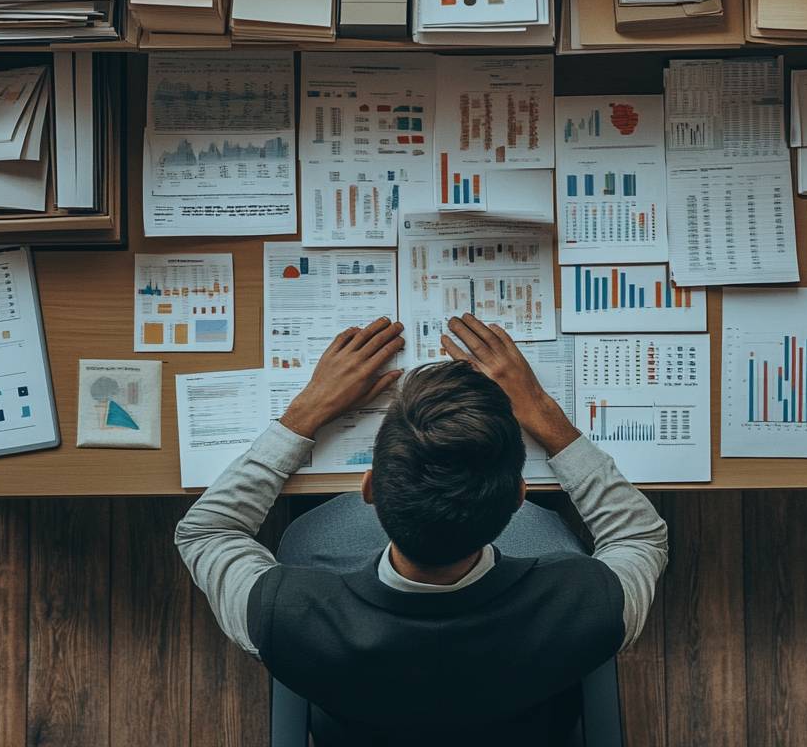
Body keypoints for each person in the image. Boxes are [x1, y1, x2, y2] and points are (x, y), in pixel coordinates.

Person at [176, 314, 668, 746]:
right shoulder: (592, 604)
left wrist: (305, 412)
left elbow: (206, 532)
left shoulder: (281, 614)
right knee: (549, 531)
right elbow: (639, 537)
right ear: (520, 497)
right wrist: (540, 410)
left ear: (367, 489)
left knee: (310, 535)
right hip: (527, 722)